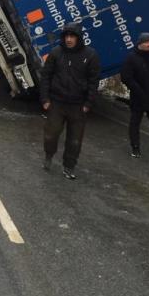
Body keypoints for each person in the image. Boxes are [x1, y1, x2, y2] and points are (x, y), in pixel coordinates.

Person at [39, 22, 101, 180]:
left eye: (72, 36)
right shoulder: (56, 53)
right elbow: (46, 76)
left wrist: (88, 103)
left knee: (74, 140)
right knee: (50, 135)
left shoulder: (90, 55)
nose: (69, 39)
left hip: (78, 106)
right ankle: (49, 155)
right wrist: (45, 98)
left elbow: (94, 81)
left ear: (79, 38)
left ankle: (69, 166)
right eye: (66, 36)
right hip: (57, 103)